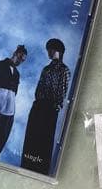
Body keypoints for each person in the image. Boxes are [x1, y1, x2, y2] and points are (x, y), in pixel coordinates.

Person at [21, 38, 70, 174]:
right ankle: (25, 165)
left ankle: (40, 170)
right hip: (38, 107)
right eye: (48, 50)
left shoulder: (64, 70)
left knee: (44, 142)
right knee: (31, 138)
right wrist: (38, 102)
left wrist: (55, 106)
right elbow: (39, 87)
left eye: (51, 49)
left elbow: (62, 91)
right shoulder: (46, 69)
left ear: (58, 50)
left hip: (50, 110)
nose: (49, 52)